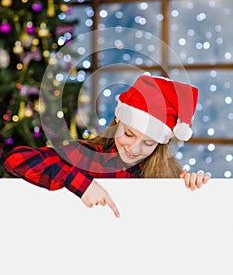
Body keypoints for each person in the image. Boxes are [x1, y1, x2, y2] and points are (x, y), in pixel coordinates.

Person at [1, 75, 210, 218]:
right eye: (129, 134)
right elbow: (14, 159)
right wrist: (79, 183)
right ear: (118, 120)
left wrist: (192, 189)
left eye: (148, 143)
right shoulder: (86, 154)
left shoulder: (165, 172)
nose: (134, 149)